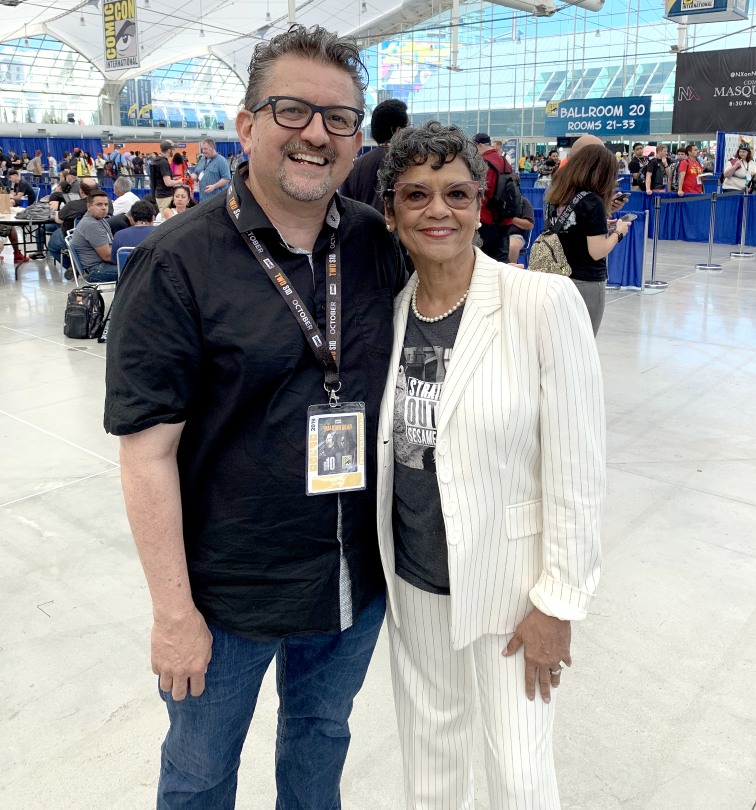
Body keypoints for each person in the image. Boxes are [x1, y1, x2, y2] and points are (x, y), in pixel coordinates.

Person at [103, 24, 405, 810]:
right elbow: (147, 455)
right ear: (245, 126)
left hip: (350, 583)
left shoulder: (377, 245)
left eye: (339, 118)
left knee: (320, 743)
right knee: (201, 773)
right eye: (291, 110)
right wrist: (173, 614)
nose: (316, 133)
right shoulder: (176, 263)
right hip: (226, 597)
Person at [376, 120, 605, 810]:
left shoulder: (541, 303)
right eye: (416, 196)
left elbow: (579, 466)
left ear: (481, 202)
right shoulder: (388, 315)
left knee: (519, 771)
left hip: (511, 587)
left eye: (456, 193)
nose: (437, 211)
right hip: (415, 577)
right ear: (391, 213)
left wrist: (558, 601)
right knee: (431, 756)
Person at [544, 143, 631, 335]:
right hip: (585, 281)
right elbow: (597, 250)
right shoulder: (592, 201)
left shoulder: (557, 195)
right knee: (584, 344)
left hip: (556, 278)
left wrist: (603, 220)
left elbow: (569, 229)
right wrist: (618, 232)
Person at [341, 98, 409, 213]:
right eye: (407, 126)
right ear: (398, 131)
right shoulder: (406, 164)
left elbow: (343, 208)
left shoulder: (353, 167)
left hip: (359, 229)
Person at [473, 132, 512, 262]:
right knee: (502, 261)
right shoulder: (505, 162)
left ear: (480, 146)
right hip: (505, 218)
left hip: (487, 219)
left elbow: (484, 192)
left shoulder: (484, 163)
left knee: (484, 260)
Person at [68, 189, 117, 282]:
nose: (104, 208)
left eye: (106, 204)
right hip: (95, 270)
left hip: (100, 265)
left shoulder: (100, 220)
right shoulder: (91, 224)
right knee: (137, 271)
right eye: (99, 205)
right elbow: (107, 257)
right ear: (89, 206)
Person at [189, 137, 231, 202]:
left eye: (205, 149)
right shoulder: (202, 160)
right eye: (202, 149)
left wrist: (214, 186)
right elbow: (196, 174)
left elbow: (226, 179)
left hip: (217, 199)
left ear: (212, 148)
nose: (203, 151)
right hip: (203, 199)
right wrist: (190, 176)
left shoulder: (221, 160)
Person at [149, 140, 185, 212]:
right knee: (165, 218)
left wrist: (174, 179)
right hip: (165, 196)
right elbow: (167, 183)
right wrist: (179, 181)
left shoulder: (157, 161)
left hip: (159, 194)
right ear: (169, 150)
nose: (173, 151)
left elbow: (160, 178)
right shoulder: (163, 162)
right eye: (173, 149)